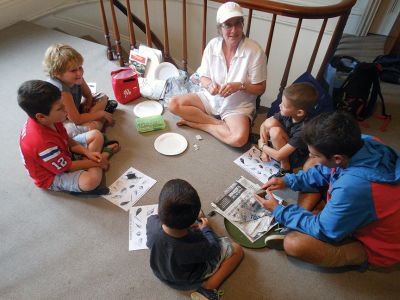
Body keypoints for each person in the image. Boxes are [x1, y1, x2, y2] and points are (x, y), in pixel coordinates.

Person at [255, 111, 400, 270]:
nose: (312, 156)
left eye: (316, 154)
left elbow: (324, 230)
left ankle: (356, 251)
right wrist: (288, 180)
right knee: (311, 165)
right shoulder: (365, 140)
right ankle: (311, 214)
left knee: (294, 244)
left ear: (337, 158)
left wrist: (279, 210)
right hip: (357, 197)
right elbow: (323, 171)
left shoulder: (352, 187)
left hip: (380, 245)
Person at [168, 2, 267, 147]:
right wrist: (209, 85)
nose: (234, 30)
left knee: (239, 139)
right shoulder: (212, 45)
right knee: (173, 104)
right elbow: (202, 76)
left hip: (237, 104)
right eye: (228, 25)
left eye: (238, 24)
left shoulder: (255, 51)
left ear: (242, 25)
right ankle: (218, 123)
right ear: (220, 28)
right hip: (211, 98)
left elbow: (260, 88)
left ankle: (200, 125)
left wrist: (240, 86)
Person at [146, 179, 243, 299]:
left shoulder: (151, 223)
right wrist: (206, 230)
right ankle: (208, 289)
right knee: (237, 250)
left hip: (161, 271)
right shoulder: (196, 242)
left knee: (199, 216)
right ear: (191, 223)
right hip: (188, 278)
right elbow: (214, 249)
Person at [18, 80, 120, 195]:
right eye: (60, 108)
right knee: (91, 181)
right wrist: (97, 162)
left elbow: (66, 139)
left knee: (96, 134)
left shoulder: (51, 119)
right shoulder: (43, 144)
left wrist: (87, 153)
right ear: (41, 117)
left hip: (62, 152)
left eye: (63, 105)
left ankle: (89, 160)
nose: (66, 109)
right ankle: (102, 156)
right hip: (52, 176)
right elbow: (67, 168)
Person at [43, 43, 117, 138]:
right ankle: (95, 122)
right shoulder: (61, 91)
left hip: (74, 111)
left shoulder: (76, 77)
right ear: (57, 73)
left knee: (102, 96)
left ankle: (92, 119)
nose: (79, 72)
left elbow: (88, 94)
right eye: (73, 70)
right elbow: (76, 119)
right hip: (63, 122)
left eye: (80, 67)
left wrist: (88, 102)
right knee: (93, 127)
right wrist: (100, 113)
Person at [258, 82, 318, 178]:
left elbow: (278, 156)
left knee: (275, 131)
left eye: (284, 105)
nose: (280, 106)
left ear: (299, 112)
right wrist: (264, 151)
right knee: (270, 123)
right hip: (285, 144)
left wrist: (262, 146)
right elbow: (264, 125)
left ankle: (285, 167)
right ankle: (272, 149)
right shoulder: (287, 113)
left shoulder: (304, 129)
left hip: (295, 157)